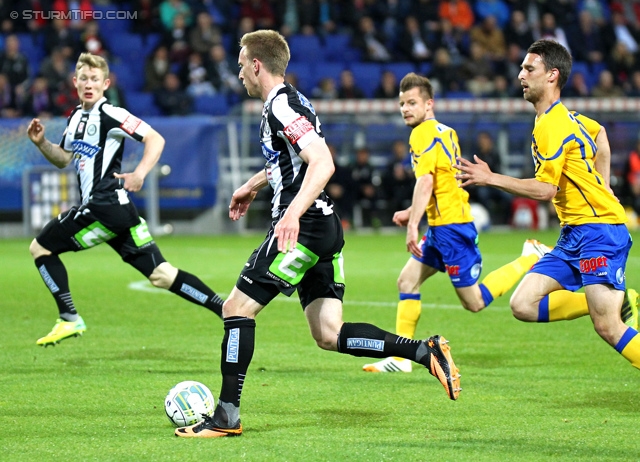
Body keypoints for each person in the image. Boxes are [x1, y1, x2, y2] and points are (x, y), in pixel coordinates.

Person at [174, 30, 461, 439]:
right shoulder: (294, 100)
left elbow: (322, 161)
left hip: (303, 228)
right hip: (322, 225)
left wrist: (291, 214)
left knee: (236, 309)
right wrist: (254, 185)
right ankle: (422, 350)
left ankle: (226, 416)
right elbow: (295, 161)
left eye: (241, 66)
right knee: (329, 333)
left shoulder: (280, 106)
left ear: (257, 65)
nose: (239, 74)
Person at [456, 39, 640, 376]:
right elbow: (601, 137)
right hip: (575, 234)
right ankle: (617, 301)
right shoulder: (563, 118)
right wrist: (604, 185)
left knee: (609, 329)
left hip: (600, 233)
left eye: (529, 68)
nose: (520, 75)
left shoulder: (553, 125)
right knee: (522, 305)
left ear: (552, 75)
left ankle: (613, 307)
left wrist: (491, 177)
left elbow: (545, 190)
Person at [26, 52, 224, 347]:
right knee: (161, 275)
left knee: (40, 247)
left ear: (105, 83)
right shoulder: (76, 117)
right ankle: (227, 310)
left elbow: (155, 138)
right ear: (75, 82)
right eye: (83, 78)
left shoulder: (112, 115)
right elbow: (63, 157)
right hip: (119, 212)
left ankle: (69, 317)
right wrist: (42, 143)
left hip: (101, 207)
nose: (89, 84)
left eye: (95, 79)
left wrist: (141, 172)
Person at [362, 72, 551, 373]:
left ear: (429, 103)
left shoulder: (420, 134)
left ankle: (528, 258)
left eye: (412, 102)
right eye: (401, 104)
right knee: (406, 280)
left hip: (451, 229)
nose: (405, 109)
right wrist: (412, 211)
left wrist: (413, 224)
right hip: (442, 227)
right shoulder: (445, 131)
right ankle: (401, 358)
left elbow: (425, 181)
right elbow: (441, 183)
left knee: (473, 302)